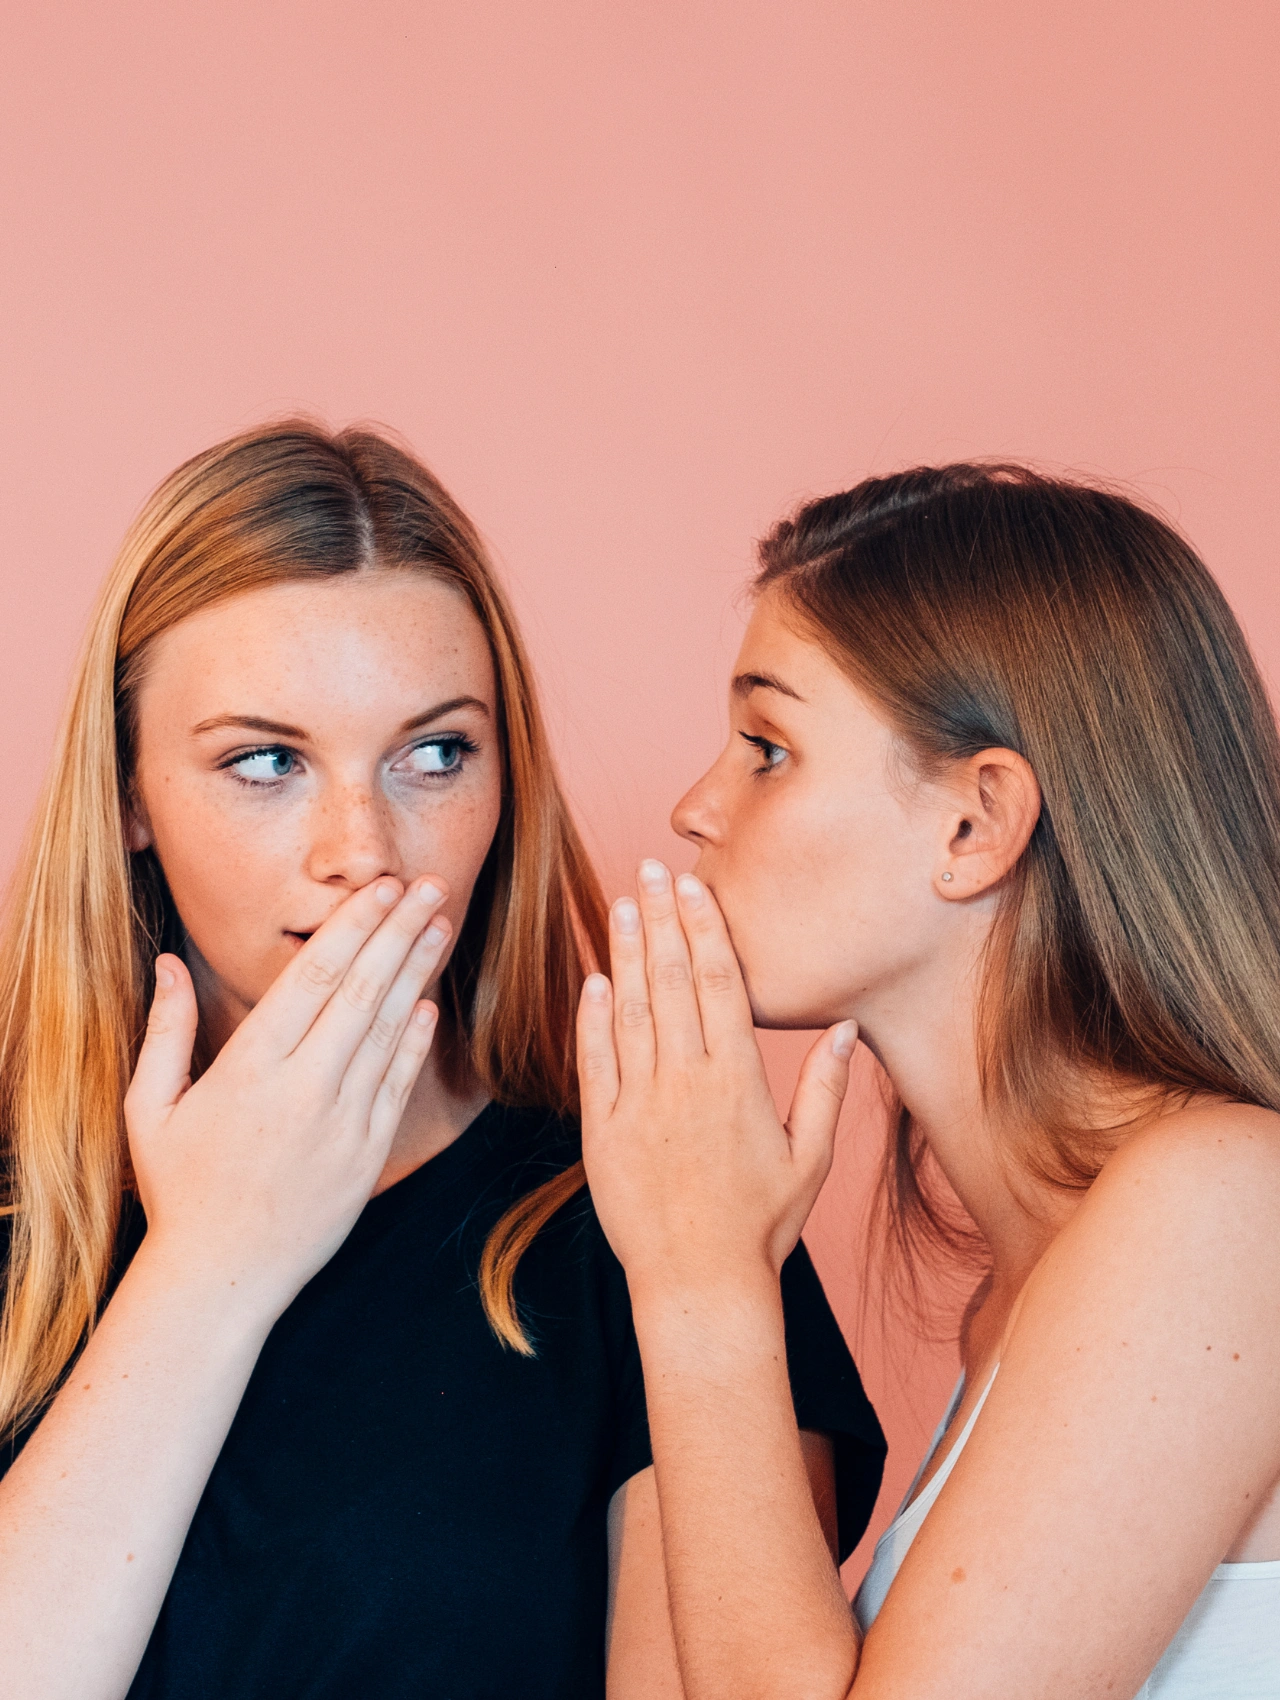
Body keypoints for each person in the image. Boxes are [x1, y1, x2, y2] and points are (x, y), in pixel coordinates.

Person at [0, 421, 886, 1700]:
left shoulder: (644, 1214)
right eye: (264, 760)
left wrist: (698, 1275)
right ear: (130, 793)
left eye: (433, 753)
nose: (363, 849)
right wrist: (209, 1266)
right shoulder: (22, 1200)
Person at [577, 463, 1280, 1699]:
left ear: (974, 824)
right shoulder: (1023, 1302)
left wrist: (701, 1277)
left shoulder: (1224, 1203)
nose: (693, 806)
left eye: (766, 746)